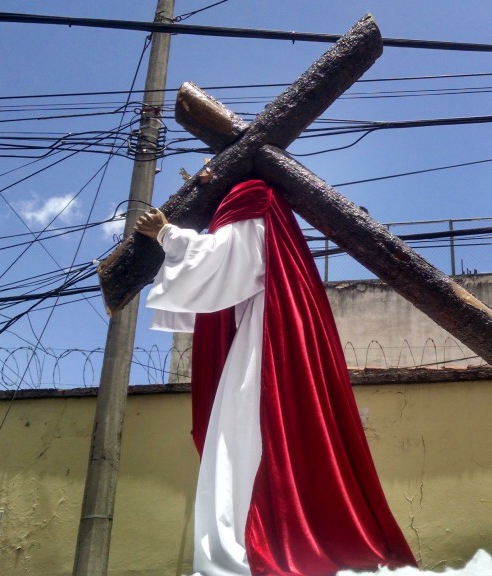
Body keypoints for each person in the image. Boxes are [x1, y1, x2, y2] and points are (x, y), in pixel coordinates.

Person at [136, 178, 415, 576]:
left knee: (245, 436)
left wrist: (167, 233)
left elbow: (231, 259)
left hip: (265, 336)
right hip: (265, 323)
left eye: (206, 172)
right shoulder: (263, 201)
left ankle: (255, 550)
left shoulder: (251, 192)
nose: (199, 178)